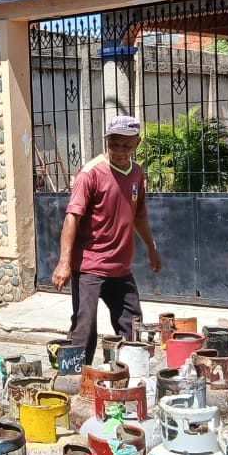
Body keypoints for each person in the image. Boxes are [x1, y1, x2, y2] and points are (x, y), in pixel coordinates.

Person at [51, 114, 162, 366]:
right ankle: (76, 377)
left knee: (132, 325)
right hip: (89, 266)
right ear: (107, 141)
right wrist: (64, 263)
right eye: (114, 144)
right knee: (84, 327)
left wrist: (151, 249)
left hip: (121, 268)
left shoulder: (136, 174)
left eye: (127, 145)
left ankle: (128, 373)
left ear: (137, 143)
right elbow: (72, 217)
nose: (120, 151)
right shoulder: (90, 173)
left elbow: (139, 215)